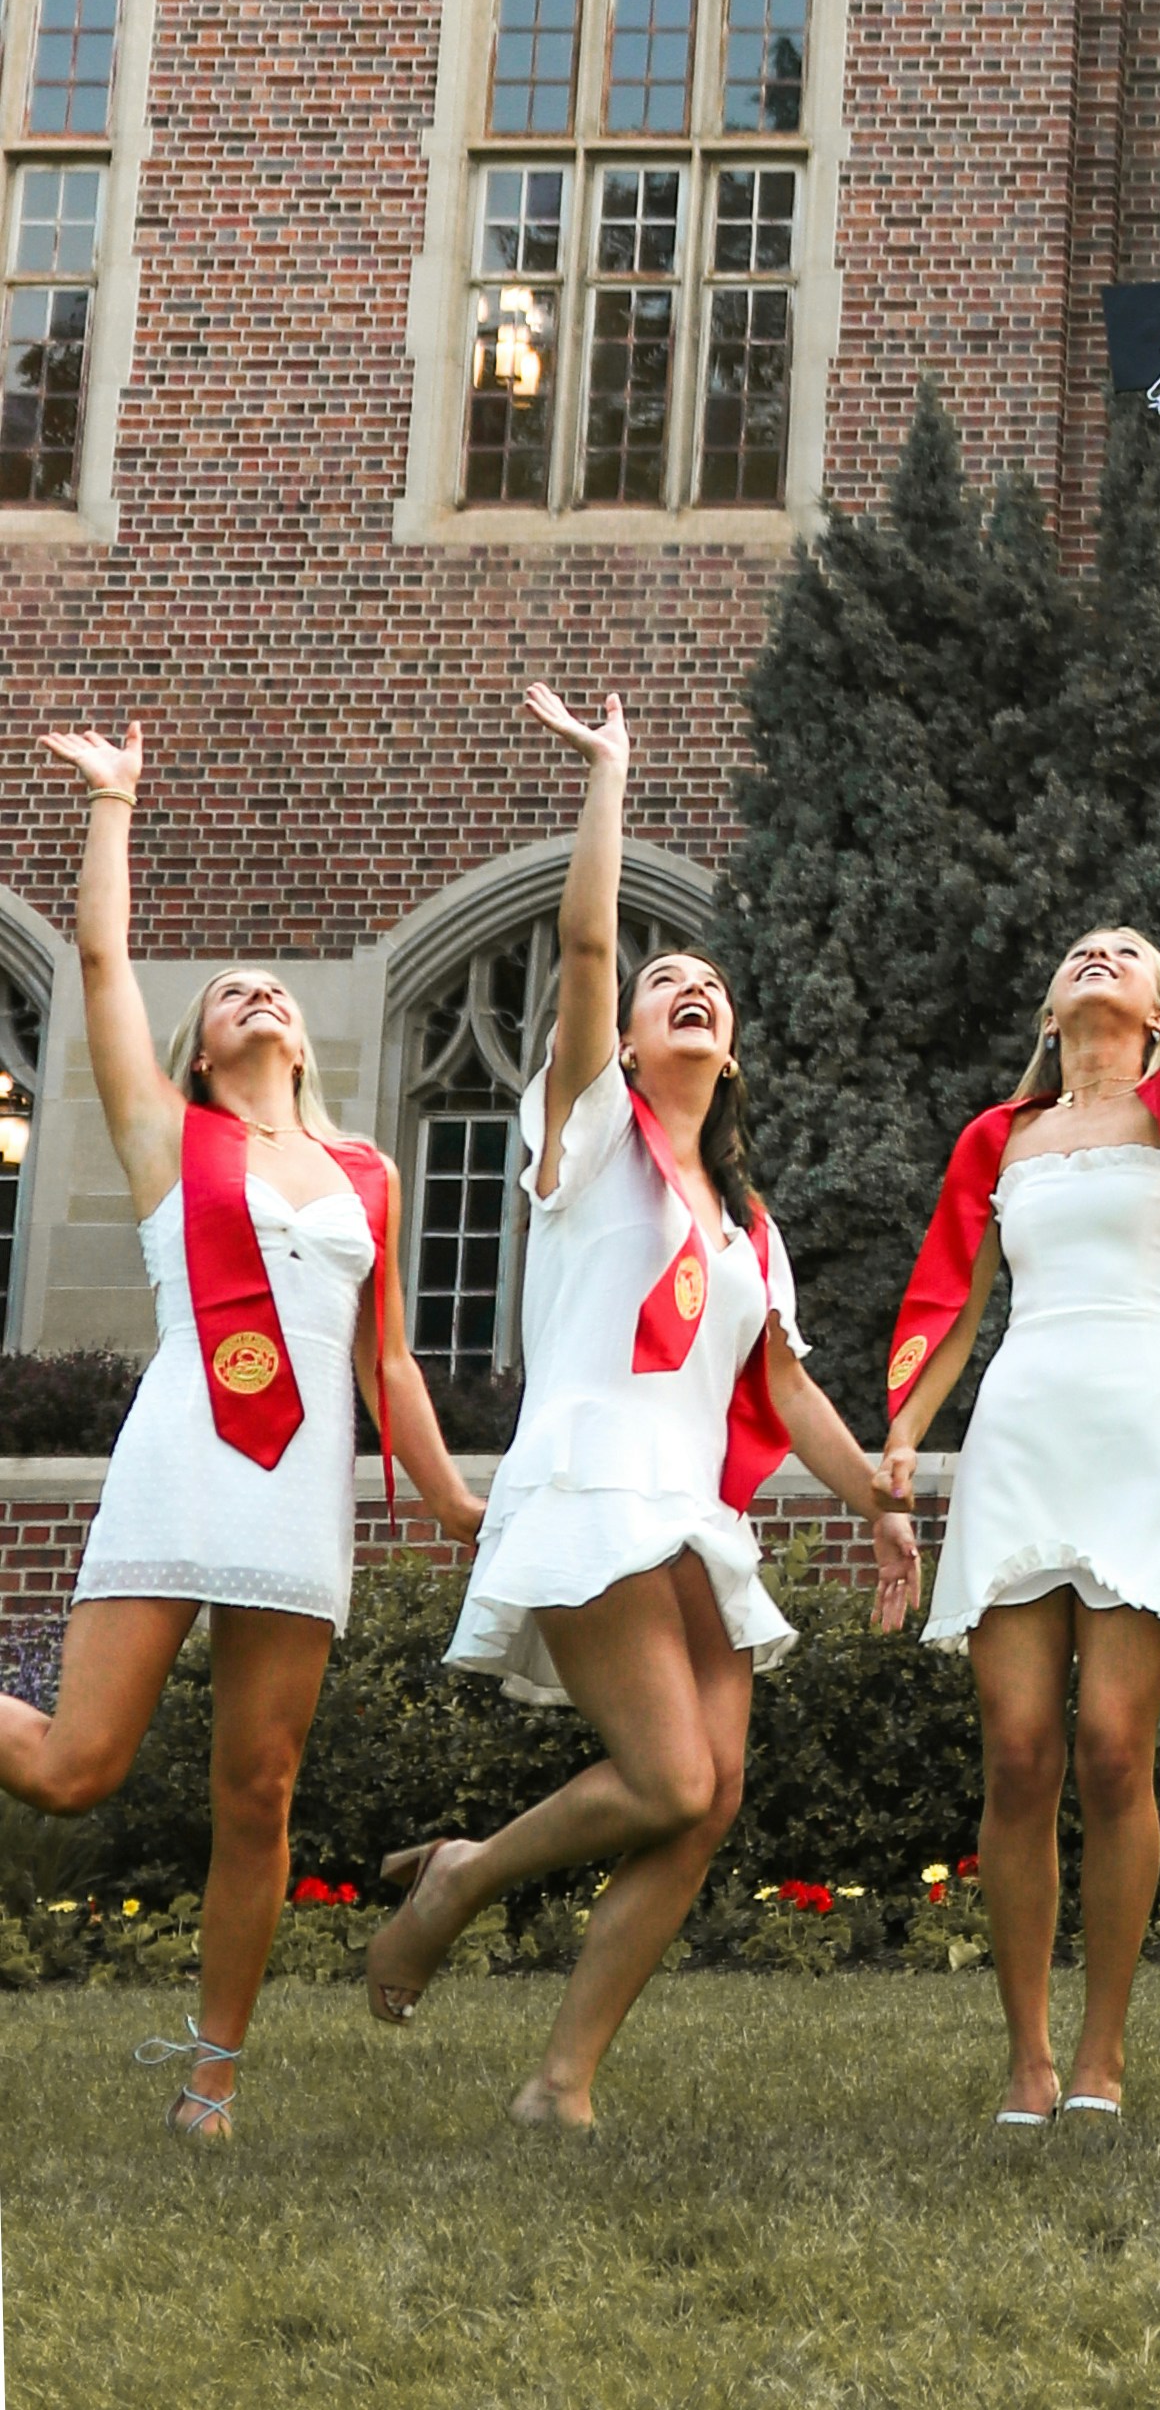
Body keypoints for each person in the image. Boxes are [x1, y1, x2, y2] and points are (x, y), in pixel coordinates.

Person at [364, 689, 917, 2119]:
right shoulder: (593, 1141)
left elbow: (784, 1385)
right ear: (624, 1034)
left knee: (710, 1799)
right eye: (669, 983)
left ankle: (563, 2081)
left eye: (713, 992)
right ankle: (457, 1885)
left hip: (696, 1512)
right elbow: (592, 944)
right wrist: (610, 776)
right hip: (593, 1478)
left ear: (730, 1054)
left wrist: (880, 1511)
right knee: (669, 1778)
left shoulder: (747, 1222)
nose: (690, 989)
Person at [0, 722, 476, 2134]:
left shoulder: (368, 1174)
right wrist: (113, 805)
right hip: (183, 1464)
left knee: (258, 1790)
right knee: (79, 1771)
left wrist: (455, 1504)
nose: (255, 994)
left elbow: (388, 1361)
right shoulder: (167, 1139)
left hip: (298, 1492)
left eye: (271, 988)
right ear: (202, 1052)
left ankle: (211, 2085)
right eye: (227, 992)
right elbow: (95, 968)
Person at [878, 681, 1160, 2132]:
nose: (1097, 957)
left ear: (1157, 1015)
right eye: (1078, 953)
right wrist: (903, 1450)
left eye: (1125, 953)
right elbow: (945, 1304)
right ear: (1053, 1008)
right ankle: (1028, 2056)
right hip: (1026, 1436)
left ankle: (1105, 2049)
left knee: (1114, 1747)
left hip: (1144, 1432)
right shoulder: (1004, 1136)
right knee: (1019, 1748)